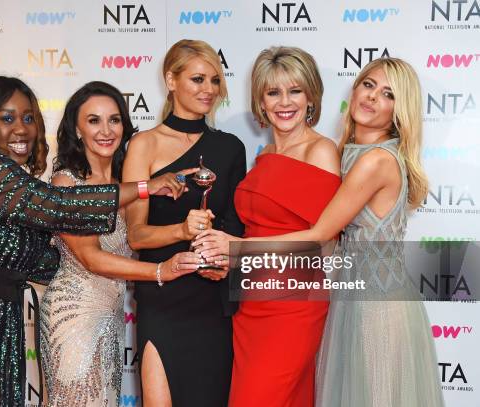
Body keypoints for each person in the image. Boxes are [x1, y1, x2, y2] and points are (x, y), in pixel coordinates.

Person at [0, 76, 189, 407]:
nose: (22, 129)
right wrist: (145, 188)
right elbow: (60, 205)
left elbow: (42, 259)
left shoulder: (11, 177)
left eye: (29, 118)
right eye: (7, 118)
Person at [196, 57, 445, 406]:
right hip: (310, 297)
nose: (372, 98)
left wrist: (236, 248)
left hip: (370, 302)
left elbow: (320, 238)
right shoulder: (343, 155)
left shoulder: (370, 159)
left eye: (388, 94)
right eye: (368, 85)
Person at [193, 46, 340, 407]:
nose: (284, 102)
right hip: (251, 305)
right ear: (261, 100)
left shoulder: (321, 152)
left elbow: (323, 245)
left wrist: (238, 249)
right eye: (273, 92)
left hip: (293, 305)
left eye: (295, 90)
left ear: (311, 96)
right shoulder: (265, 156)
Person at [40, 81, 201, 407]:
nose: (106, 130)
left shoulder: (126, 185)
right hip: (73, 315)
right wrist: (160, 270)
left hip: (111, 318)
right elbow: (91, 258)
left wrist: (179, 185)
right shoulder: (67, 181)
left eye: (114, 119)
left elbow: (142, 234)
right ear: (76, 127)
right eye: (94, 120)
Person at [122, 39, 247, 406]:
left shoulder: (231, 148)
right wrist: (181, 230)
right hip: (163, 298)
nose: (208, 90)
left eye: (214, 80)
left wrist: (223, 264)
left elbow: (237, 226)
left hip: (211, 299)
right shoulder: (143, 144)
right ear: (171, 80)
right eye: (197, 79)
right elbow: (136, 235)